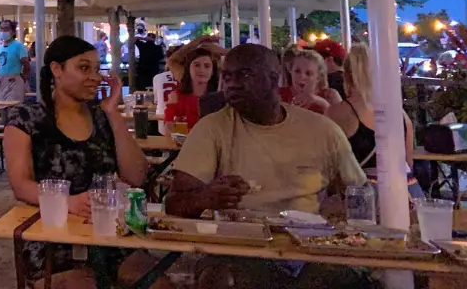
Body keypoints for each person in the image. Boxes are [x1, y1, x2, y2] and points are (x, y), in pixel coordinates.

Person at [165, 45, 368, 288]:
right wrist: (207, 197)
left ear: (274, 79)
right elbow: (174, 204)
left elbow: (360, 195)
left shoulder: (322, 131)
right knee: (221, 278)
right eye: (227, 76)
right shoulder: (212, 128)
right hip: (240, 248)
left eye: (245, 75)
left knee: (340, 278)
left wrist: (337, 213)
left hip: (310, 249)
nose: (232, 84)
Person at [3, 36, 148, 281]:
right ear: (57, 70)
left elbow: (137, 176)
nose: (95, 76)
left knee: (155, 281)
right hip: (52, 236)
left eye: (96, 69)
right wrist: (66, 201)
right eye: (84, 68)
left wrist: (113, 112)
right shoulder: (26, 119)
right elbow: (20, 185)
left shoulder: (102, 117)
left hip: (107, 230)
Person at [326, 43, 416, 176]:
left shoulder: (337, 112)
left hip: (360, 192)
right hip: (401, 191)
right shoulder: (400, 114)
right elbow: (408, 163)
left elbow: (328, 164)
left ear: (346, 75)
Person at [164, 47, 220, 132]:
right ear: (188, 68)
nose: (202, 70)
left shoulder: (220, 98)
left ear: (212, 71)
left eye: (207, 66)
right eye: (197, 65)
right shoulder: (175, 96)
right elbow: (168, 128)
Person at [281, 49, 340, 113]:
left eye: (308, 73)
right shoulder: (279, 95)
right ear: (291, 71)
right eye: (297, 71)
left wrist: (322, 103)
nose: (302, 77)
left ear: (319, 77)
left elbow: (341, 121)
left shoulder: (330, 95)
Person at [0, 20, 30, 102]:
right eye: (1, 28)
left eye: (6, 28)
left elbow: (26, 64)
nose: (3, 31)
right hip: (1, 82)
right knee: (3, 110)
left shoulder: (18, 45)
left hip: (14, 81)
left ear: (13, 32)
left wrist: (23, 76)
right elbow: (0, 65)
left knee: (13, 109)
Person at [133, 22, 164, 91]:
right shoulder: (158, 47)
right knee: (153, 85)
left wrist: (145, 39)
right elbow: (161, 57)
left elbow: (134, 38)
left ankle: (142, 97)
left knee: (142, 86)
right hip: (154, 69)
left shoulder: (143, 46)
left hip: (143, 68)